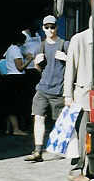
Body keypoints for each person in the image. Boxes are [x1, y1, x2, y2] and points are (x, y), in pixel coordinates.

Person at [25, 15, 69, 162]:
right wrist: (37, 65)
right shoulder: (41, 46)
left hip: (58, 90)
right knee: (38, 117)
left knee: (60, 121)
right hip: (43, 89)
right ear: (43, 28)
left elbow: (74, 65)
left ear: (57, 27)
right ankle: (38, 151)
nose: (50, 30)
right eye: (47, 27)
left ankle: (65, 148)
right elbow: (40, 69)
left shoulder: (64, 44)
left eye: (52, 27)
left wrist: (66, 59)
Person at [64, 17, 93, 181]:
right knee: (83, 134)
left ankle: (93, 168)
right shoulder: (79, 39)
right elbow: (70, 68)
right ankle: (77, 169)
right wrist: (67, 95)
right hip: (83, 96)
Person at [2, 30, 28, 136]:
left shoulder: (9, 49)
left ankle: (9, 129)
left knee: (9, 103)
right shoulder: (16, 50)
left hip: (9, 77)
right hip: (16, 78)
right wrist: (29, 60)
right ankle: (16, 129)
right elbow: (20, 67)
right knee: (15, 105)